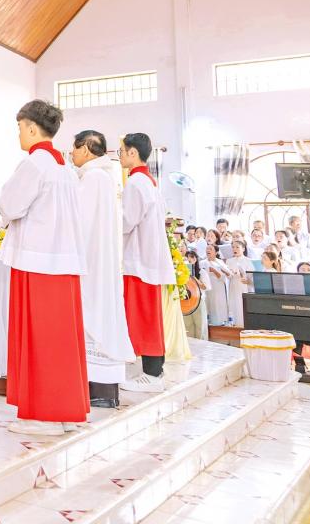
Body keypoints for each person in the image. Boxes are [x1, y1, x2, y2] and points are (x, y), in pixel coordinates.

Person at [0, 100, 88, 435]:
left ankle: (42, 415)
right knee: (61, 339)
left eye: (20, 128)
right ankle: (64, 411)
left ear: (32, 128)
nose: (19, 134)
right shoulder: (65, 168)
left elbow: (9, 204)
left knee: (40, 338)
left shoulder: (35, 164)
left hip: (38, 261)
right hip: (63, 261)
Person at [71, 130, 135, 410]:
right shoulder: (105, 176)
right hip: (102, 260)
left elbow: (78, 220)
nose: (71, 154)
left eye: (74, 149)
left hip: (91, 261)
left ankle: (98, 389)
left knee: (93, 318)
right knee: (102, 316)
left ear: (86, 149)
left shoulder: (93, 178)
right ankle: (104, 389)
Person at [118, 132, 176, 393]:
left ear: (133, 153)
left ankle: (152, 374)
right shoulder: (148, 181)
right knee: (149, 316)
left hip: (139, 259)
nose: (120, 156)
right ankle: (155, 369)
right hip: (148, 258)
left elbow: (126, 222)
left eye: (121, 151)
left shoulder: (135, 183)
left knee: (144, 317)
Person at [225, 240, 254, 326]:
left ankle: (243, 325)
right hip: (233, 286)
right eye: (233, 247)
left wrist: (241, 273)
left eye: (237, 247)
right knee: (233, 306)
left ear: (243, 249)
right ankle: (234, 325)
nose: (235, 249)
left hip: (243, 286)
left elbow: (251, 276)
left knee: (242, 306)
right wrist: (229, 273)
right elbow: (228, 276)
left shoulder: (248, 260)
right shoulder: (229, 261)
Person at [204, 243, 232, 326]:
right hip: (208, 288)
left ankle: (221, 323)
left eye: (210, 249)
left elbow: (227, 276)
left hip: (219, 287)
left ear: (216, 252)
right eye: (207, 249)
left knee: (219, 305)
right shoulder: (202, 262)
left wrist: (215, 271)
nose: (208, 250)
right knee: (209, 305)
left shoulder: (220, 262)